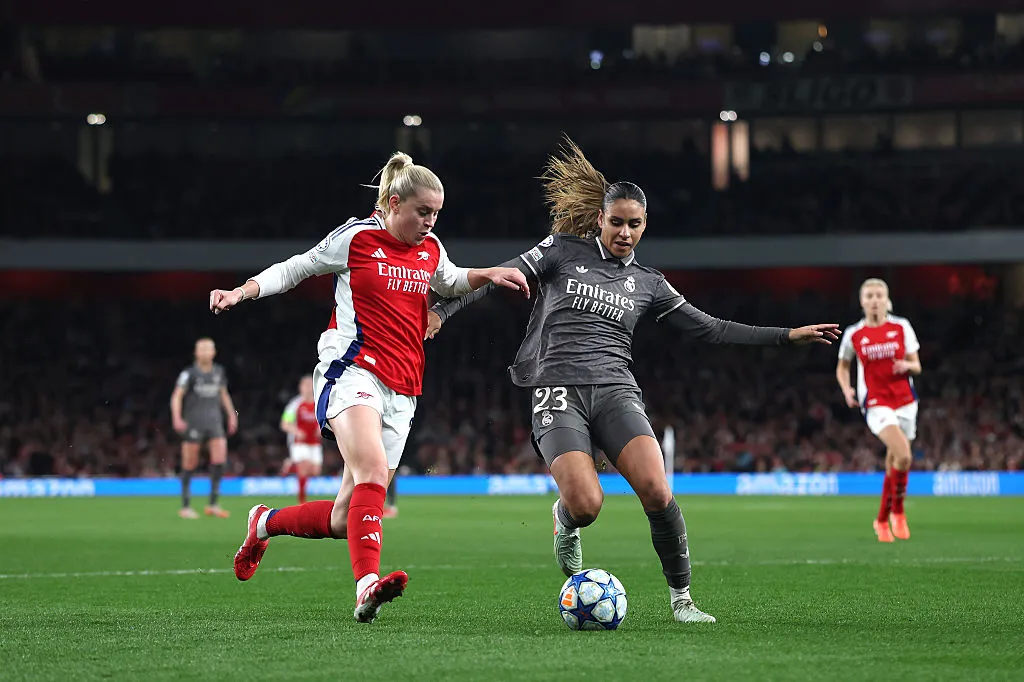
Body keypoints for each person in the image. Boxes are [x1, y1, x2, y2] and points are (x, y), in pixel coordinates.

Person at [428, 139, 839, 624]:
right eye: (617, 222)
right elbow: (502, 276)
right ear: (599, 219)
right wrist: (443, 308)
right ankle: (564, 519)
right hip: (559, 390)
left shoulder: (649, 283)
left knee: (658, 492)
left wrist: (785, 336)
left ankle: (682, 600)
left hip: (616, 391)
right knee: (586, 505)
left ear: (645, 226)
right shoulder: (561, 251)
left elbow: (711, 328)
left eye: (635, 224)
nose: (625, 232)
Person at [209, 151, 529, 623]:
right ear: (394, 203)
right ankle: (366, 587)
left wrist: (487, 274)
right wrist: (243, 291)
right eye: (423, 212)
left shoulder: (430, 247)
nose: (430, 221)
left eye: (437, 213)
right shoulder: (358, 239)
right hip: (352, 369)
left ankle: (264, 523)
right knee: (374, 471)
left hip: (404, 386)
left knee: (344, 518)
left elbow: (451, 280)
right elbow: (297, 267)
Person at [836, 278, 921, 543]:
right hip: (875, 402)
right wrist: (846, 389)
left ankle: (882, 520)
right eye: (869, 296)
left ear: (887, 299)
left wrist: (906, 367)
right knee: (904, 455)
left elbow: (917, 365)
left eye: (879, 295)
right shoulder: (854, 334)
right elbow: (842, 366)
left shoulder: (901, 326)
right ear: (862, 302)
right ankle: (898, 511)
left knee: (895, 461)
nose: (874, 300)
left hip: (905, 400)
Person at [170, 337, 237, 519]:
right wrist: (177, 417)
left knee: (219, 459)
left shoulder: (219, 372)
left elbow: (224, 394)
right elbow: (177, 396)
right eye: (203, 349)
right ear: (196, 353)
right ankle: (185, 506)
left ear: (214, 352)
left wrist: (231, 414)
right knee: (189, 463)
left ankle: (213, 504)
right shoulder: (189, 374)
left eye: (210, 349)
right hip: (194, 422)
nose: (207, 352)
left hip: (214, 421)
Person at [279, 376, 321, 504]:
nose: (308, 388)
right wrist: (296, 431)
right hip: (299, 443)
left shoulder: (319, 403)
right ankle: (302, 501)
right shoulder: (294, 405)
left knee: (315, 472)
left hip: (315, 443)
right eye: (305, 385)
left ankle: (290, 465)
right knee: (304, 468)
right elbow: (284, 424)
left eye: (310, 385)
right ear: (301, 388)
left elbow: (325, 421)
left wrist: (321, 428)